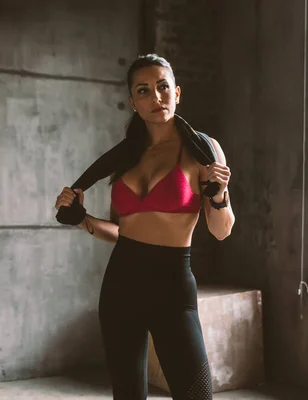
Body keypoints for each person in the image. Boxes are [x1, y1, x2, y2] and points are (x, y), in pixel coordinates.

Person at [55, 54, 235, 400]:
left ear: (177, 92)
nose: (156, 97)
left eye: (163, 87)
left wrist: (220, 194)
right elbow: (120, 232)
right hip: (121, 281)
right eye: (144, 90)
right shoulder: (126, 158)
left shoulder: (204, 150)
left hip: (172, 284)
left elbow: (222, 230)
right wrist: (82, 219)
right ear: (133, 102)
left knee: (196, 395)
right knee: (127, 395)